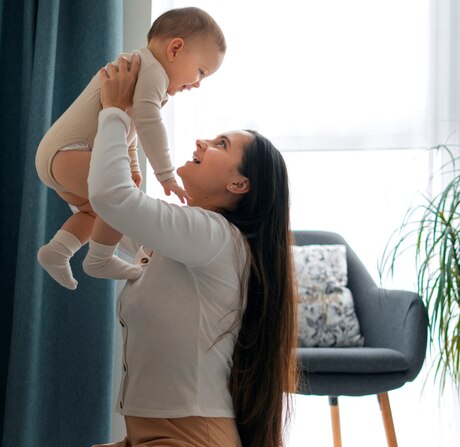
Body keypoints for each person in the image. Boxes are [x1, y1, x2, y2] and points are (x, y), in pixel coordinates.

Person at [86, 54, 298, 447]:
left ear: (239, 184)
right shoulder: (189, 241)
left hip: (188, 436)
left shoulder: (216, 238)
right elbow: (96, 202)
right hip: (157, 434)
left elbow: (110, 197)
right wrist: (124, 123)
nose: (202, 141)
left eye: (221, 144)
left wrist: (115, 112)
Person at [35, 7, 226, 290]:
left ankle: (58, 250)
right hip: (71, 152)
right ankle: (100, 258)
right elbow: (149, 124)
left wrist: (134, 167)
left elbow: (129, 130)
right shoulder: (153, 72)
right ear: (175, 49)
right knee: (120, 203)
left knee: (95, 212)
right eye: (200, 72)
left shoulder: (142, 70)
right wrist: (166, 174)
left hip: (62, 156)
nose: (197, 84)